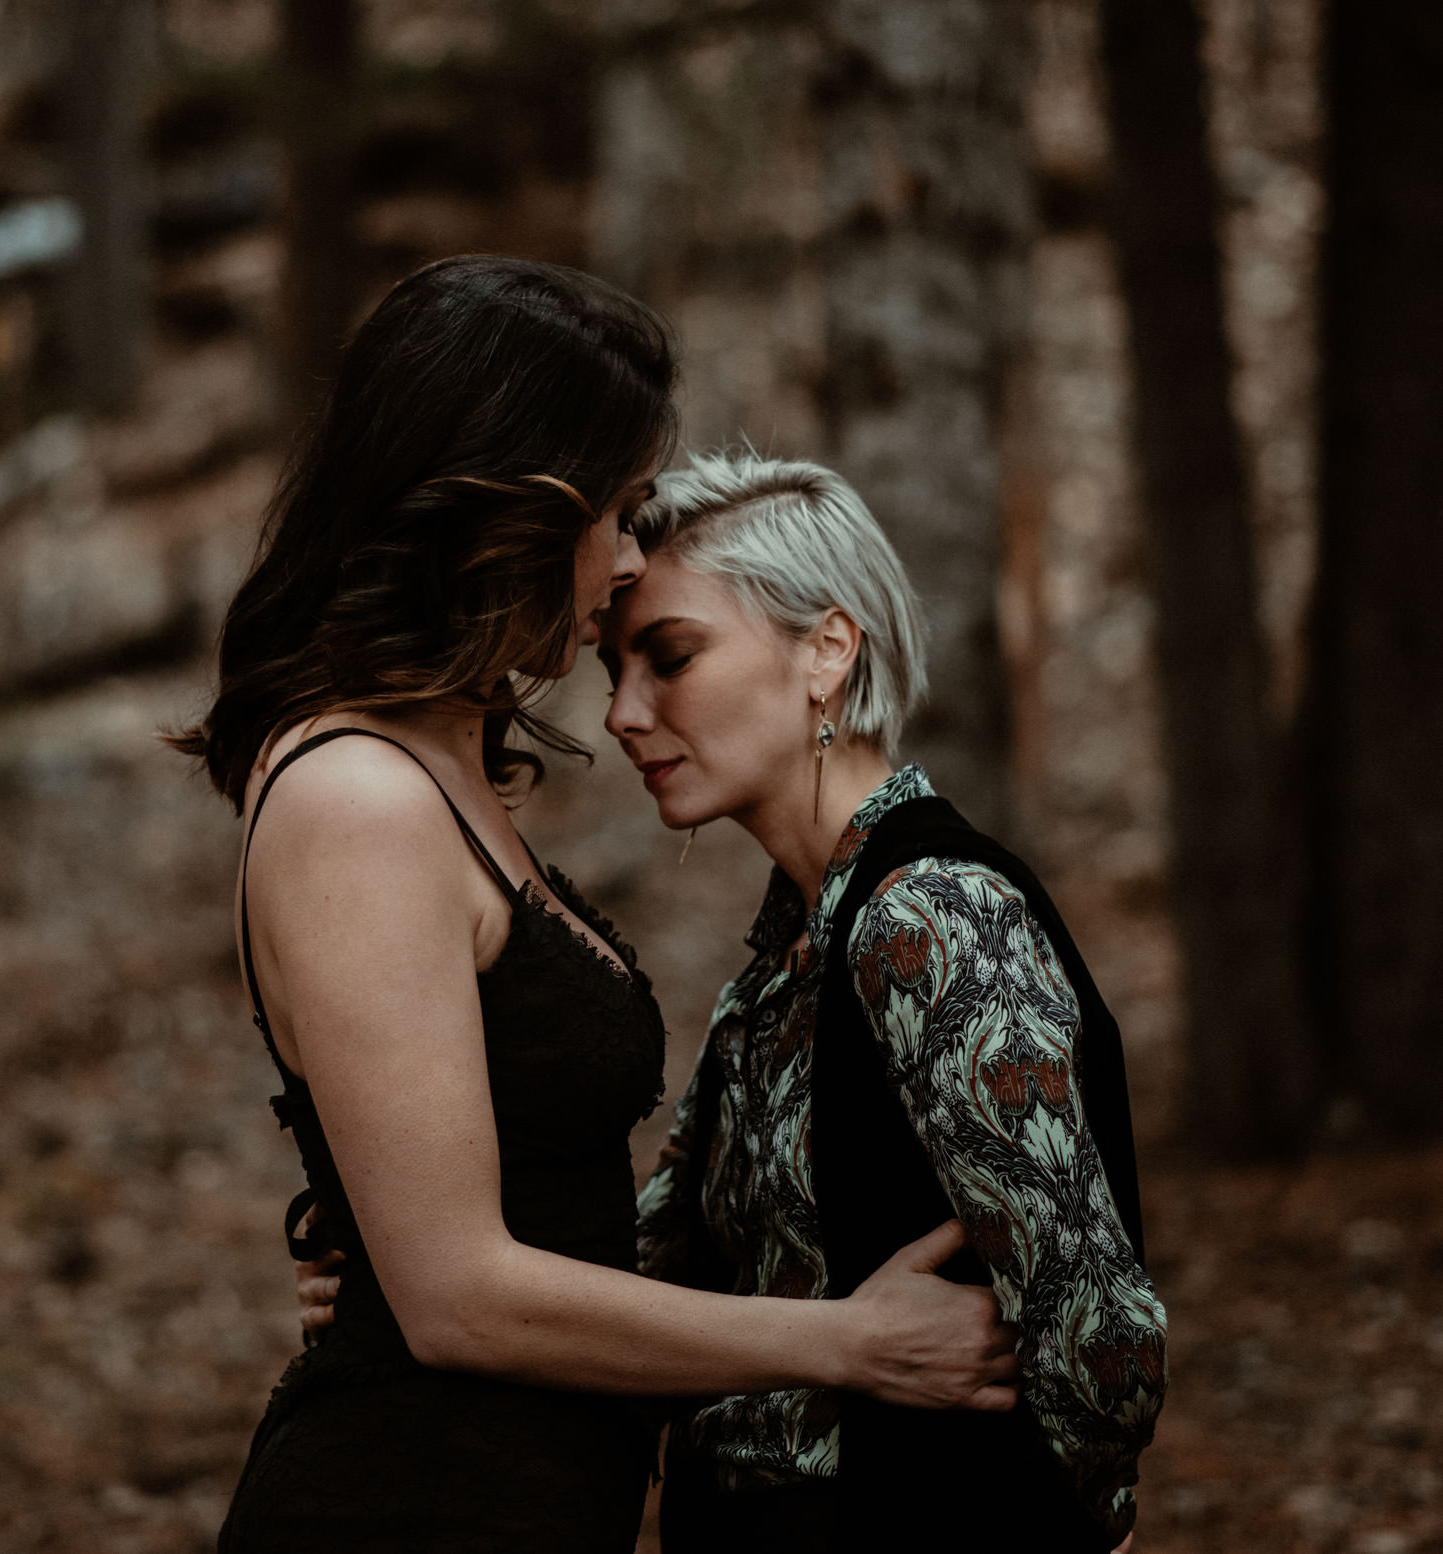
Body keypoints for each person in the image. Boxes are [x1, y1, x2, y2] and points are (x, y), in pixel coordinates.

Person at [174, 260, 1021, 1554]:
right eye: (620, 512)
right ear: (512, 505)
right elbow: (461, 1299)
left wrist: (402, 1257)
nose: (629, 560)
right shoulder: (358, 794)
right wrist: (843, 1342)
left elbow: (480, 1230)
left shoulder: (434, 764)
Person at [608, 454, 1166, 1550]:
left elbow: (1104, 1351)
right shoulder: (778, 969)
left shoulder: (932, 919)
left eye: (668, 658)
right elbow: (649, 1277)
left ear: (825, 650)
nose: (626, 713)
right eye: (612, 670)